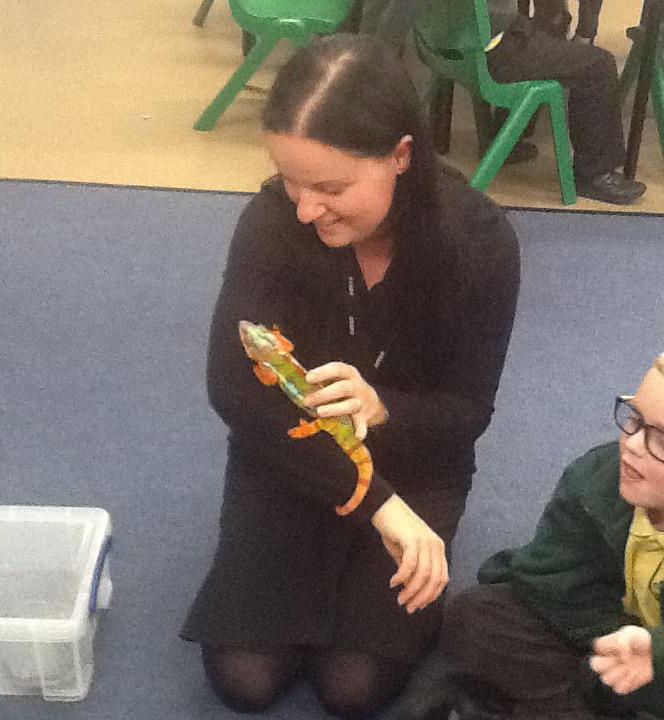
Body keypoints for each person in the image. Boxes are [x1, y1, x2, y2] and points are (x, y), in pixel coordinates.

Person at [180, 33, 520, 719]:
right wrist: (380, 506)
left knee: (354, 689)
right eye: (290, 180)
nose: (306, 209)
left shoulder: (480, 242)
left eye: (331, 187)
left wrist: (384, 407)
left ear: (401, 156)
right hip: (291, 454)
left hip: (413, 461)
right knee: (246, 679)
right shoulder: (272, 222)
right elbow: (234, 388)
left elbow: (467, 411)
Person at [403, 354, 664, 720]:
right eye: (634, 419)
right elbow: (546, 585)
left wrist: (656, 654)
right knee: (476, 616)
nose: (632, 445)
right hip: (611, 635)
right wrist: (612, 646)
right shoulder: (598, 478)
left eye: (661, 441)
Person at [359, 0, 646, 206]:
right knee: (598, 65)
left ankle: (504, 136)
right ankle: (594, 173)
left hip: (446, 50)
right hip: (494, 51)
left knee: (545, 30)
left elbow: (384, 21)